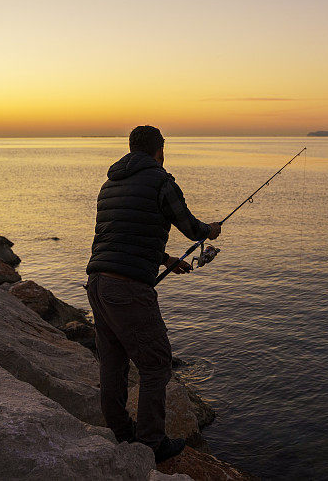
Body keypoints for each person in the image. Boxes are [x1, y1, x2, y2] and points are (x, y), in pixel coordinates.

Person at [85, 125, 221, 463]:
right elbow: (191, 227)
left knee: (113, 364)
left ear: (131, 149)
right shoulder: (162, 181)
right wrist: (211, 230)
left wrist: (164, 259)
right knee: (156, 363)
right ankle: (151, 444)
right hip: (128, 289)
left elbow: (117, 236)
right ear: (159, 149)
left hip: (98, 284)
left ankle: (122, 435)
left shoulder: (109, 185)